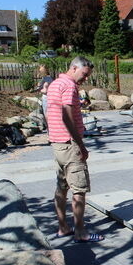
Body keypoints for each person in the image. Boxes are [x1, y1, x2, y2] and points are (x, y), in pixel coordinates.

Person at [46, 56, 103, 243]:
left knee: (61, 187)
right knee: (79, 189)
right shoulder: (69, 86)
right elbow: (66, 115)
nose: (85, 79)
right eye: (84, 75)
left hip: (57, 143)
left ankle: (63, 228)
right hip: (69, 144)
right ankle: (81, 232)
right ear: (74, 68)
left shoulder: (55, 83)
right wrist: (79, 143)